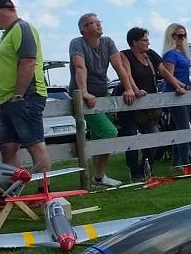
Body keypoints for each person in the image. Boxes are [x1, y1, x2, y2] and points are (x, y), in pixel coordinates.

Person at [70, 13, 140, 188]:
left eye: (98, 21)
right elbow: (80, 67)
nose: (97, 25)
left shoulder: (107, 42)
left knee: (98, 137)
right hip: (85, 98)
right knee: (109, 133)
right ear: (83, 29)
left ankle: (97, 178)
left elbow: (119, 66)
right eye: (91, 23)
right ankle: (99, 177)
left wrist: (129, 88)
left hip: (103, 94)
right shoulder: (77, 43)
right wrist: (84, 92)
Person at [0, 0, 51, 173]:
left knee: (34, 144)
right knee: (8, 147)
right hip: (8, 101)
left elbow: (28, 61)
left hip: (25, 97)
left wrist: (18, 94)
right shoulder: (7, 34)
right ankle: (13, 191)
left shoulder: (22, 28)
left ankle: (45, 193)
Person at [118, 27, 182, 180]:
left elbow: (164, 72)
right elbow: (126, 73)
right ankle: (134, 171)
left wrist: (179, 86)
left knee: (155, 135)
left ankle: (147, 166)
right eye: (144, 40)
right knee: (131, 137)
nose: (148, 43)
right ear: (134, 42)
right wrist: (135, 90)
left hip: (149, 106)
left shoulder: (151, 55)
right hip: (130, 104)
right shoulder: (124, 55)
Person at [161, 23, 191, 170]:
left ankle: (177, 161)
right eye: (178, 35)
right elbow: (169, 76)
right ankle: (184, 162)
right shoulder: (170, 54)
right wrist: (181, 86)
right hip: (175, 94)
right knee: (183, 127)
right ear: (171, 36)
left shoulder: (181, 53)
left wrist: (190, 83)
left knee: (180, 126)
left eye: (183, 35)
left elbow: (183, 73)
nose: (181, 38)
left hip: (183, 93)